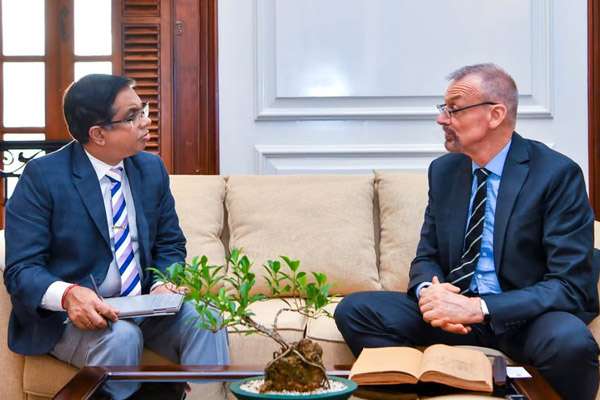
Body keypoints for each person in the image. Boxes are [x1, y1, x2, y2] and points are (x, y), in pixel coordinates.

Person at [334, 63, 599, 400]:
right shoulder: (445, 171)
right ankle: (435, 390)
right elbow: (427, 255)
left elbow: (570, 286)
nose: (441, 119)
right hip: (455, 319)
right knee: (356, 310)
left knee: (570, 342)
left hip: (526, 318)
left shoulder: (556, 174)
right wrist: (430, 294)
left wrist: (480, 308)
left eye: (454, 109)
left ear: (495, 114)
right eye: (443, 109)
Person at [3, 74, 229, 400]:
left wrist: (163, 281)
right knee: (122, 337)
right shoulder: (43, 177)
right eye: (132, 116)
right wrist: (68, 295)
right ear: (98, 134)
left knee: (207, 320)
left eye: (143, 109)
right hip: (73, 317)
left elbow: (170, 243)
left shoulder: (150, 169)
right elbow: (21, 269)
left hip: (145, 306)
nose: (146, 121)